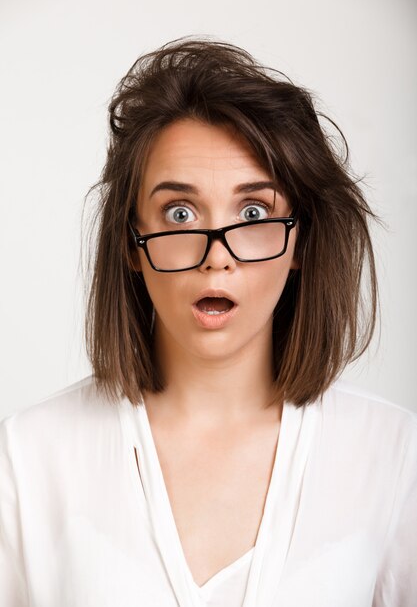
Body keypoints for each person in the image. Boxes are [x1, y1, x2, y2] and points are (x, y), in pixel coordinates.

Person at [0, 35, 416, 607]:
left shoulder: (394, 456)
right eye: (179, 212)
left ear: (300, 242)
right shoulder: (29, 456)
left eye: (253, 212)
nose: (216, 254)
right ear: (131, 242)